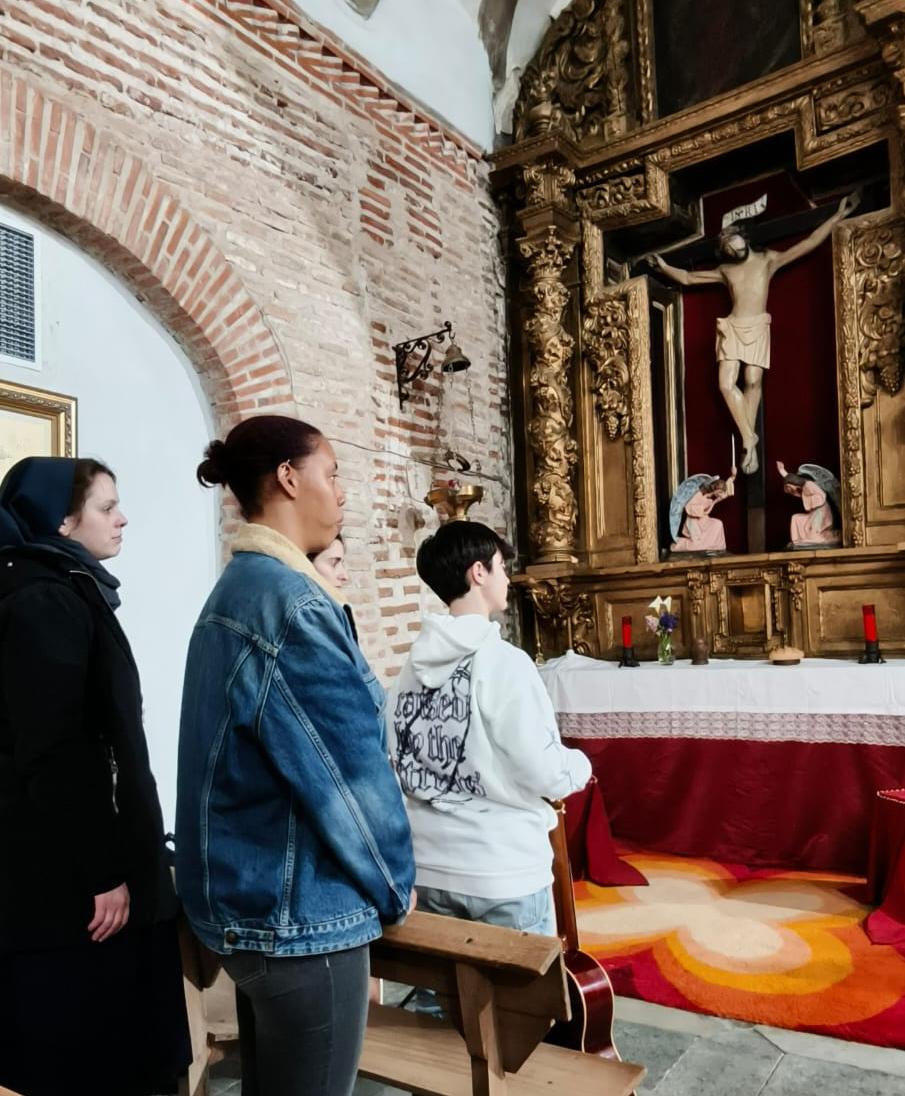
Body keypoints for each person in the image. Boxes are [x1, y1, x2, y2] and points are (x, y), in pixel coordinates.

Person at [176, 415, 414, 1096]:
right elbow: (348, 779)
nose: (341, 492)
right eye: (331, 473)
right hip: (302, 917)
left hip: (250, 903)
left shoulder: (238, 589)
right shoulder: (291, 605)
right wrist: (396, 886)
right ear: (288, 477)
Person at [0, 456, 190, 1096]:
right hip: (68, 886)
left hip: (61, 868)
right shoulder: (43, 598)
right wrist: (102, 872)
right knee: (93, 1057)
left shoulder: (52, 584)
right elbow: (55, 749)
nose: (122, 518)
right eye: (107, 507)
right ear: (61, 520)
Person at [387, 520, 591, 938]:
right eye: (501, 566)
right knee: (524, 984)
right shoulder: (504, 662)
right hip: (502, 872)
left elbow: (399, 758)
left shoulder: (407, 671)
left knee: (444, 983)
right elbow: (543, 771)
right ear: (478, 572)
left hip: (429, 867)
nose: (508, 578)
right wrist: (581, 765)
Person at [648, 193, 859, 474]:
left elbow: (808, 243)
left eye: (732, 240)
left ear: (743, 237)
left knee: (752, 380)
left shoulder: (768, 260)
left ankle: (750, 446)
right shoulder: (726, 271)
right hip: (732, 327)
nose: (731, 247)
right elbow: (688, 278)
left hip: (757, 326)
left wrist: (838, 215)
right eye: (725, 246)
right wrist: (664, 267)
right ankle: (749, 437)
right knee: (725, 384)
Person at [670, 468, 737, 553]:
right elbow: (688, 507)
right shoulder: (699, 494)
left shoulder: (710, 499)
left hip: (703, 519)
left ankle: (715, 546)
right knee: (696, 545)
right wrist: (701, 509)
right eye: (720, 492)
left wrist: (733, 476)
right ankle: (679, 544)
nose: (720, 495)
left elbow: (726, 491)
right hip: (694, 521)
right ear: (715, 490)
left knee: (718, 523)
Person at [776, 461, 840, 546]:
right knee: (795, 518)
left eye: (790, 488)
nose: (792, 491)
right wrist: (782, 472)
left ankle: (830, 536)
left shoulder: (809, 484)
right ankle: (796, 541)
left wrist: (810, 502)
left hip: (821, 513)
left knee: (814, 535)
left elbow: (821, 496)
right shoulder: (803, 488)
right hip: (814, 513)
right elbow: (792, 483)